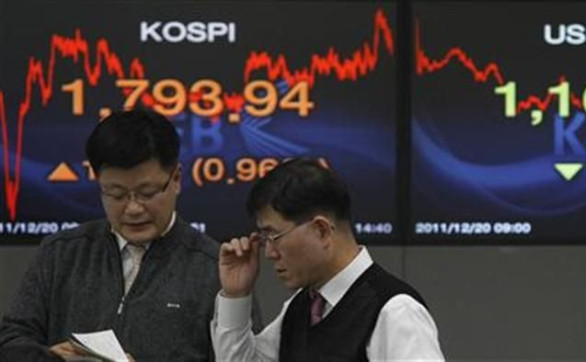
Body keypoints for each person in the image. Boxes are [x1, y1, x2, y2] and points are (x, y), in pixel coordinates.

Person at [0, 110, 261, 361]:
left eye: (147, 193)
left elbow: (247, 358)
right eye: (116, 194)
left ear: (177, 179)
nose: (133, 208)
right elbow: (11, 340)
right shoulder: (62, 253)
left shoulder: (214, 269)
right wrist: (49, 358)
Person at [211, 158, 445, 361]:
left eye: (274, 237)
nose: (269, 253)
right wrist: (236, 296)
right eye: (264, 239)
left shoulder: (395, 311)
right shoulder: (299, 308)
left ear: (321, 230)